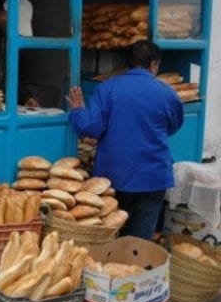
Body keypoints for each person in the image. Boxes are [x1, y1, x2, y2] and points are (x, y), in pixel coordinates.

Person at [66, 40, 184, 240]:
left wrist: (78, 110)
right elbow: (173, 126)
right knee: (140, 239)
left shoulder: (108, 88)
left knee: (111, 233)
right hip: (153, 175)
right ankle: (136, 269)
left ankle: (111, 268)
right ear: (154, 64)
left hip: (115, 174)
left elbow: (91, 128)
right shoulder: (167, 93)